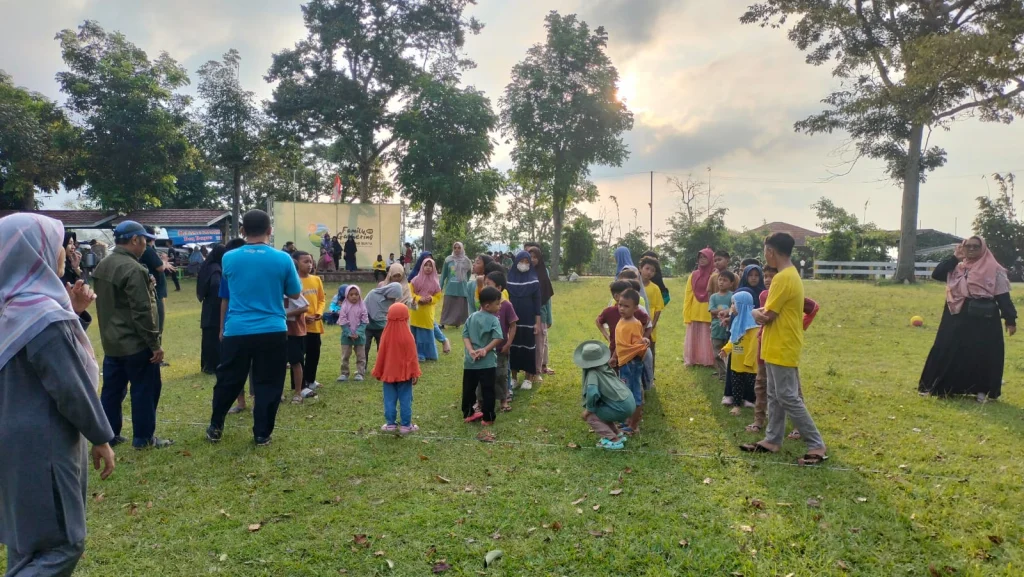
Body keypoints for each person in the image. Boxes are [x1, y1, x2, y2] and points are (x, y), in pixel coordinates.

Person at [0, 214, 117, 577]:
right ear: (34, 250)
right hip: (44, 441)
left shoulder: (10, 308)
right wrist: (100, 436)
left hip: (11, 440)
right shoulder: (42, 314)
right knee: (64, 543)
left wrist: (73, 313)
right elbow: (70, 385)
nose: (66, 250)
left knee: (27, 541)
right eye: (58, 242)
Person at [206, 210, 303, 447]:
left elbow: (227, 293)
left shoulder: (229, 258)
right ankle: (262, 434)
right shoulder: (283, 259)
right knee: (268, 382)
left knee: (228, 379)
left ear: (242, 231)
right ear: (270, 230)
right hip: (272, 329)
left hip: (237, 329)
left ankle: (216, 425)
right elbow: (294, 293)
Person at [741, 233, 827, 466]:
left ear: (771, 251)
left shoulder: (783, 278)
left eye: (765, 251)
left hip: (783, 345)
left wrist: (753, 311)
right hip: (774, 344)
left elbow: (767, 315)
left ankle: (816, 444)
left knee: (788, 396)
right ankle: (772, 440)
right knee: (774, 395)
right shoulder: (790, 275)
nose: (765, 256)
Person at [91, 221, 171, 449]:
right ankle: (143, 438)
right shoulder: (133, 269)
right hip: (136, 343)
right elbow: (142, 310)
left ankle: (109, 435)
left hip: (112, 341)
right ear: (135, 239)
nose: (146, 245)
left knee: (112, 392)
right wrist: (154, 344)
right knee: (145, 390)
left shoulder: (103, 265)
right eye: (144, 240)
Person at [919, 237, 1016, 402]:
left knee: (982, 353)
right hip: (955, 315)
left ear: (983, 248)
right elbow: (937, 274)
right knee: (947, 349)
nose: (971, 249)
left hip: (983, 319)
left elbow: (1003, 296)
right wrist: (955, 258)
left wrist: (1010, 319)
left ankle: (981, 390)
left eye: (975, 246)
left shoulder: (994, 269)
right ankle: (942, 388)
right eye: (968, 246)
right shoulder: (957, 267)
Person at [746, 266, 820, 434]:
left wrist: (800, 326)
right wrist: (755, 313)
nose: (767, 279)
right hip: (764, 344)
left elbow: (814, 307)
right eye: (765, 276)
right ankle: (759, 420)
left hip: (783, 346)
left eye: (772, 276)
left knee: (792, 389)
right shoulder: (764, 295)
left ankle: (798, 426)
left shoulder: (788, 292)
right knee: (761, 383)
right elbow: (763, 316)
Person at [575, 340, 635, 451]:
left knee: (592, 417)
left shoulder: (592, 373)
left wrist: (589, 410)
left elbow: (592, 392)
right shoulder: (606, 367)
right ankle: (617, 433)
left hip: (621, 407)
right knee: (601, 411)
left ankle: (613, 440)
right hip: (629, 401)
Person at [372, 303, 422, 435]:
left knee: (389, 399)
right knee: (406, 399)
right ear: (406, 317)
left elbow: (381, 355)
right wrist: (414, 373)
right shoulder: (408, 336)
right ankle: (406, 425)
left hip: (388, 374)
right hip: (405, 375)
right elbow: (412, 357)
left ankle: (390, 424)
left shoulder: (385, 336)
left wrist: (379, 371)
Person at [461, 287, 505, 426]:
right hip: (487, 363)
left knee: (468, 389)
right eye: (497, 304)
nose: (499, 306)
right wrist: (485, 349)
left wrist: (470, 350)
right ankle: (488, 418)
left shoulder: (471, 317)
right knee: (488, 390)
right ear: (487, 306)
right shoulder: (493, 320)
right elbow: (498, 337)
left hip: (470, 362)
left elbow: (465, 335)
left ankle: (468, 413)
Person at [615, 289, 649, 433]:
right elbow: (620, 343)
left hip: (632, 363)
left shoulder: (634, 323)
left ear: (635, 308)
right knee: (626, 392)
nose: (622, 308)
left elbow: (637, 345)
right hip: (624, 362)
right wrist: (614, 357)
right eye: (620, 304)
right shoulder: (622, 320)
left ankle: (634, 425)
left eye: (626, 306)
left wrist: (643, 342)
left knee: (634, 394)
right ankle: (628, 421)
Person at [507, 251, 542, 390]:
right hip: (512, 319)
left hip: (528, 318)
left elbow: (537, 303)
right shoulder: (509, 279)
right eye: (521, 261)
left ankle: (528, 378)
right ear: (516, 262)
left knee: (528, 346)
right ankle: (513, 377)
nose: (524, 264)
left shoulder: (534, 281)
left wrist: (537, 323)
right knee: (513, 346)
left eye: (527, 262)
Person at [719, 291, 759, 413]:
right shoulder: (736, 322)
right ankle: (736, 405)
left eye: (734, 304)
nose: (731, 306)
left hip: (749, 364)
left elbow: (754, 345)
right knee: (736, 383)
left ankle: (750, 400)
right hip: (736, 362)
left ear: (742, 305)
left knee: (751, 384)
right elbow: (733, 339)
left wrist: (749, 361)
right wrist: (726, 349)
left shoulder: (753, 325)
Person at [596, 280, 651, 369]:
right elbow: (598, 322)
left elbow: (647, 320)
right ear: (616, 296)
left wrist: (642, 336)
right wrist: (606, 336)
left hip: (632, 360)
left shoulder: (636, 315)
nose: (622, 308)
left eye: (626, 306)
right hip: (616, 352)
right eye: (625, 293)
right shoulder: (611, 313)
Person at [484, 271, 518, 412]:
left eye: (488, 284)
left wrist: (508, 343)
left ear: (498, 288)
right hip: (486, 349)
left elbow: (513, 325)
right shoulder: (485, 305)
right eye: (484, 284)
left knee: (502, 375)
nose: (485, 287)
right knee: (485, 375)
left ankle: (504, 401)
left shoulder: (506, 305)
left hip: (501, 348)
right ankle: (481, 401)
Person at [293, 251, 326, 392]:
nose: (309, 264)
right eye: (305, 261)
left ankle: (310, 380)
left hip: (315, 325)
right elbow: (293, 303)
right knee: (298, 356)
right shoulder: (294, 281)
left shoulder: (316, 279)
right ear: (296, 263)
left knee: (314, 353)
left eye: (311, 261)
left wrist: (319, 313)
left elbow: (321, 299)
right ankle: (298, 384)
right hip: (299, 325)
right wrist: (304, 316)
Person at [409, 258, 450, 361]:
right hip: (416, 310)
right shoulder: (415, 280)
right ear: (422, 266)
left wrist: (430, 299)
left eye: (430, 266)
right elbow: (410, 293)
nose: (428, 267)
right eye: (426, 265)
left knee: (425, 333)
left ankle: (424, 354)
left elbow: (438, 296)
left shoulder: (435, 282)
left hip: (427, 310)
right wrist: (419, 298)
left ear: (433, 268)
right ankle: (417, 353)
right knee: (415, 333)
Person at [683, 248, 716, 367]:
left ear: (711, 259)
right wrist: (687, 313)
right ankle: (693, 359)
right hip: (695, 309)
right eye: (700, 257)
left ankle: (709, 360)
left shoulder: (715, 275)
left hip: (709, 310)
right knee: (694, 336)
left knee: (708, 336)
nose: (702, 260)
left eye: (705, 257)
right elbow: (688, 295)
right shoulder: (694, 275)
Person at [197, 244, 227, 374]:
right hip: (215, 305)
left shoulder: (207, 266)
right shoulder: (216, 269)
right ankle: (213, 365)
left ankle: (207, 364)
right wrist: (220, 297)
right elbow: (215, 284)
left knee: (208, 336)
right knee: (214, 336)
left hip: (208, 304)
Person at [527, 246, 556, 378]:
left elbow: (547, 299)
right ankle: (528, 370)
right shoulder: (523, 274)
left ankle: (537, 371)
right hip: (526, 314)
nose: (532, 260)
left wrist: (549, 318)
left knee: (539, 344)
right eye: (530, 257)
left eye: (535, 257)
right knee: (528, 344)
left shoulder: (543, 275)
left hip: (541, 314)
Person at [285, 283, 312, 405]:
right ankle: (279, 393)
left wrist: (286, 315)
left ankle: (298, 392)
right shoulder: (274, 289)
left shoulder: (292, 291)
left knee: (295, 361)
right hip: (279, 331)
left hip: (294, 332)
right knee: (279, 362)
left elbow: (305, 307)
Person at [638, 256, 664, 375]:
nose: (649, 272)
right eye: (647, 268)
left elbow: (658, 308)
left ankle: (650, 376)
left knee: (650, 349)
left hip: (650, 323)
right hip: (635, 323)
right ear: (640, 268)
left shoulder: (655, 288)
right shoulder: (635, 285)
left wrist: (653, 324)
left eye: (652, 270)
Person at [337, 285, 369, 382]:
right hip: (346, 337)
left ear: (359, 295)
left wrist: (358, 333)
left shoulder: (362, 306)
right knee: (345, 356)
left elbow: (364, 322)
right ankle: (344, 373)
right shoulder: (344, 307)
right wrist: (349, 333)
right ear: (347, 295)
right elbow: (342, 321)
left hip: (360, 336)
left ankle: (360, 373)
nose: (354, 296)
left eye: (356, 294)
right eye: (351, 294)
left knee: (361, 356)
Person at [709, 270, 735, 384]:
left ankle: (729, 373)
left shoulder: (733, 296)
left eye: (725, 280)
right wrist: (726, 311)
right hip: (716, 328)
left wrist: (724, 312)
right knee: (717, 352)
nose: (721, 282)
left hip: (729, 328)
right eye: (720, 279)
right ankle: (723, 374)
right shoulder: (713, 297)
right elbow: (712, 311)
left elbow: (734, 309)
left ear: (731, 283)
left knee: (729, 351)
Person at [440, 242, 473, 328]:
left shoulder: (466, 261)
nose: (457, 250)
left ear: (462, 249)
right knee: (447, 305)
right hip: (450, 287)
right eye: (455, 248)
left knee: (459, 306)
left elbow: (469, 273)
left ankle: (457, 323)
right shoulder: (448, 260)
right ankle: (443, 323)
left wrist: (464, 281)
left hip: (461, 287)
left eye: (459, 248)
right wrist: (440, 286)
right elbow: (444, 274)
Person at [365, 282, 404, 354]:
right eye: (393, 296)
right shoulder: (373, 294)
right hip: (367, 326)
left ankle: (381, 362)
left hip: (382, 328)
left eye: (395, 297)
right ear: (389, 291)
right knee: (365, 347)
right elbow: (368, 312)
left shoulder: (393, 302)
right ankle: (363, 362)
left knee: (382, 349)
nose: (393, 298)